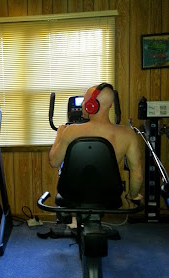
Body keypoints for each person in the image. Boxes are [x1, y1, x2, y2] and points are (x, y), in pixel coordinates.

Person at [49, 84, 144, 228]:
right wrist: (133, 195)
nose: (82, 104)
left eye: (84, 100)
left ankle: (75, 220)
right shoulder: (128, 134)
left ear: (91, 105)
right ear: (111, 106)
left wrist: (59, 134)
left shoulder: (70, 131)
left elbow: (54, 162)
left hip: (71, 193)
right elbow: (137, 175)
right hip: (109, 194)